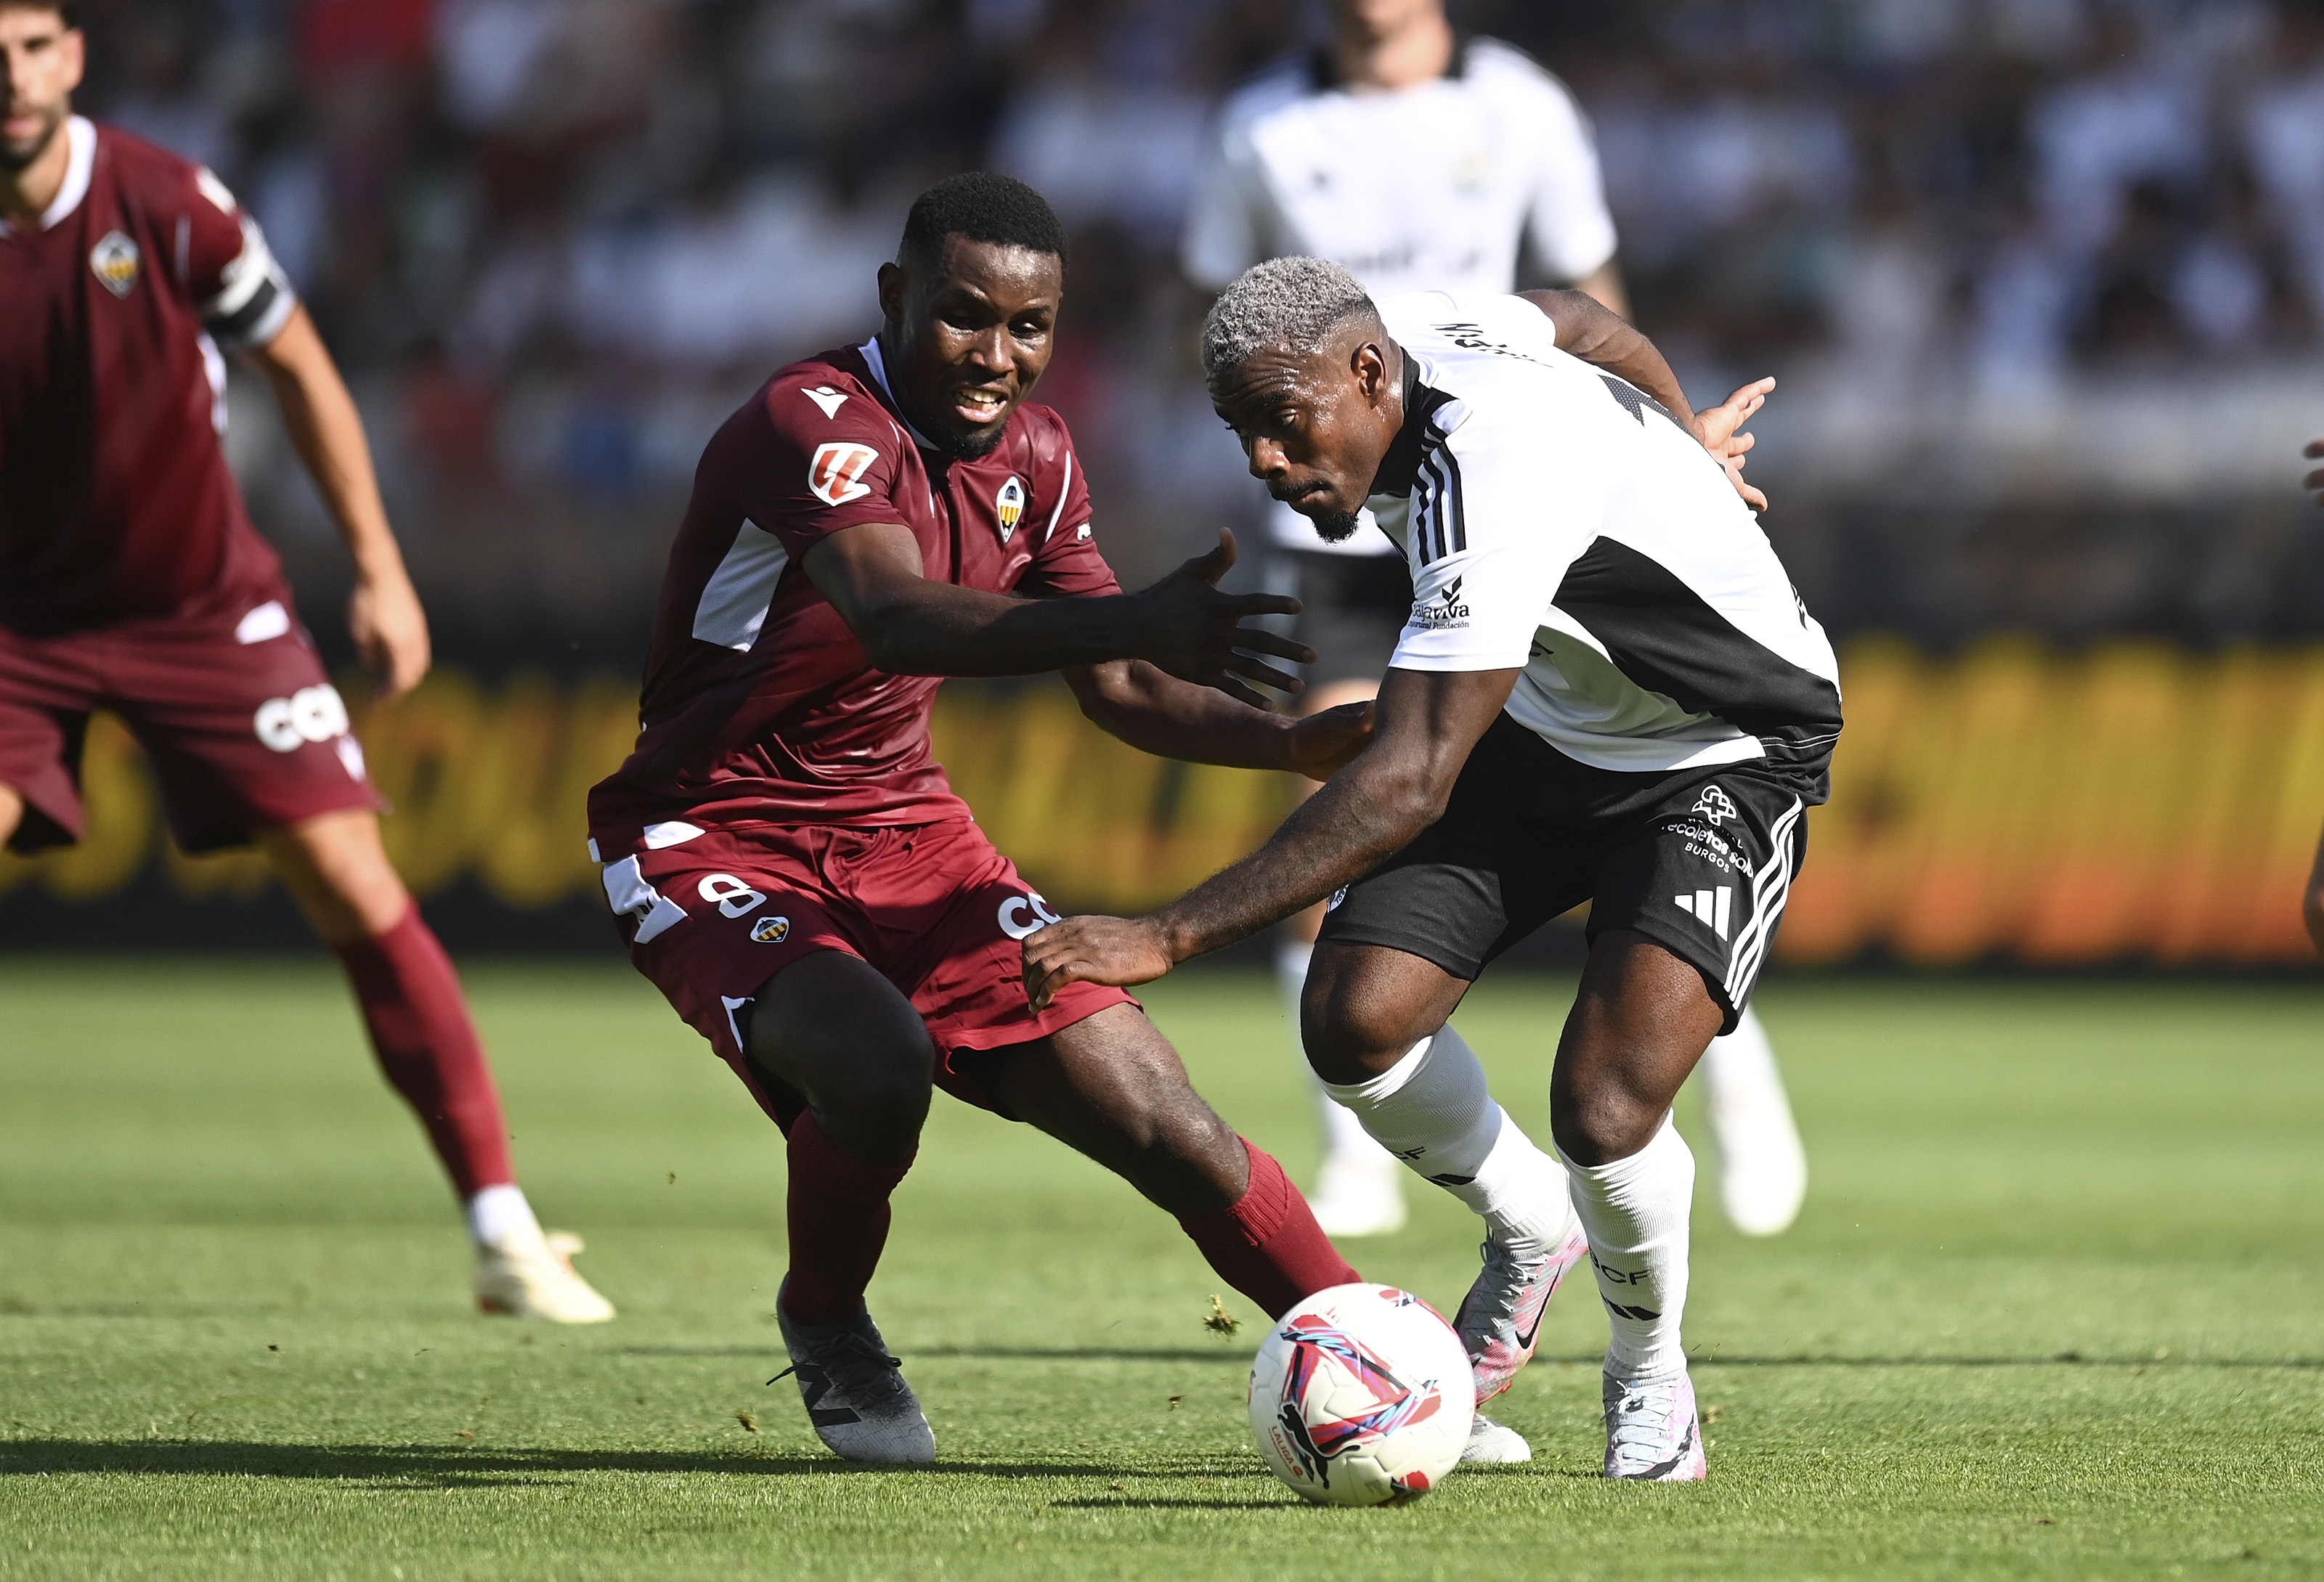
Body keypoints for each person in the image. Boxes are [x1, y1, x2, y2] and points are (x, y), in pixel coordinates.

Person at [584, 174, 1373, 1467]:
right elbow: (893, 611)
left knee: (1164, 1118)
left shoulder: (1042, 459)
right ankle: (826, 1318)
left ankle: (1367, 1356)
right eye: (963, 317)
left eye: (1030, 327)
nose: (996, 356)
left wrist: (1284, 742)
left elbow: (1118, 687)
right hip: (708, 830)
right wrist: (1131, 616)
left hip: (911, 835)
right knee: (877, 1062)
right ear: (897, 299)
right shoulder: (810, 420)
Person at [1023, 258, 1843, 1480]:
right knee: (1355, 1022)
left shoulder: (1491, 469)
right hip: (1558, 723)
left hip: (1723, 747)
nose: (1261, 461)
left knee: (1606, 1110)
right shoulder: (1410, 331)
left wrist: (1171, 935)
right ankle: (1531, 1234)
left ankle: (1649, 1371)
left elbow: (1407, 777)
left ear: (1367, 376)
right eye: (1240, 430)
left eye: (1282, 425)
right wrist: (1682, 443)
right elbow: (1577, 316)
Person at [0, 1, 611, 1321]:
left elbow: (298, 363)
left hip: (202, 607)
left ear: (73, 57)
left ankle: (503, 1230)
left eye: (33, 44)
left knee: (348, 875)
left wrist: (381, 567)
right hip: (18, 626)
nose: (13, 75)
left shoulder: (167, 204)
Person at [1180, 0, 1808, 1246]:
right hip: (1357, 512)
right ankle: (1351, 1144)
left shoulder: (1519, 99)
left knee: (1599, 775)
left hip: (1510, 485)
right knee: (1345, 783)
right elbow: (1225, 306)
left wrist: (1661, 451)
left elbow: (1583, 299)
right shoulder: (1260, 120)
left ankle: (1728, 1073)